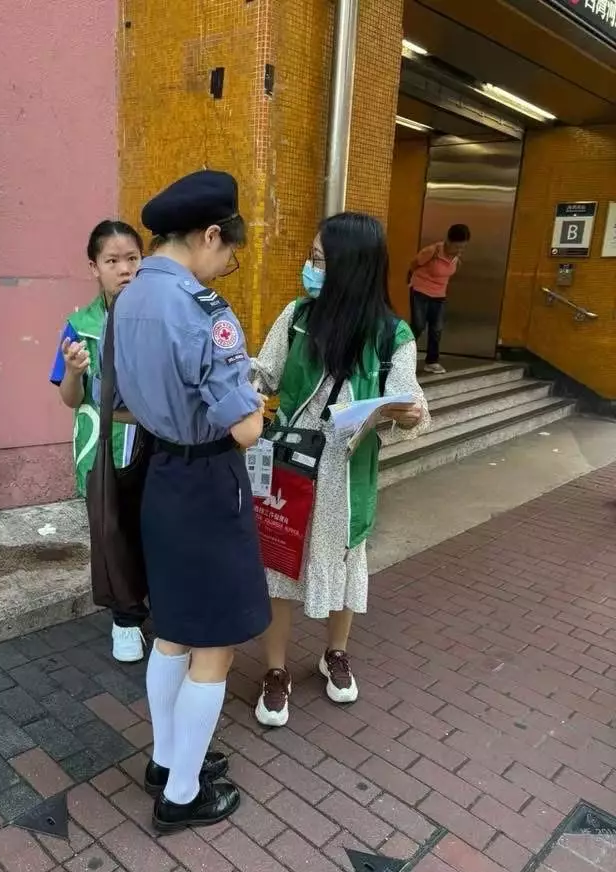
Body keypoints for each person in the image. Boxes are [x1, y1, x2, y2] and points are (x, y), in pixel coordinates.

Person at [111, 170, 271, 832]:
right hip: (207, 483)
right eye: (229, 253)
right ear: (209, 235)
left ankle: (167, 757)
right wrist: (256, 397)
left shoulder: (128, 297)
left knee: (174, 630)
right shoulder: (205, 311)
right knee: (215, 646)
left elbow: (119, 402)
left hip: (161, 477)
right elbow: (246, 429)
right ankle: (181, 795)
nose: (226, 266)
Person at [252, 213, 430, 728]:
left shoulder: (392, 335)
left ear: (352, 266)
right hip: (291, 463)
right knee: (280, 563)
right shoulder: (297, 316)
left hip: (346, 475)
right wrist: (240, 382)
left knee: (346, 561)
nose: (311, 269)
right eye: (312, 258)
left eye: (321, 260)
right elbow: (264, 373)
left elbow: (409, 398)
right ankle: (276, 671)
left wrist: (408, 412)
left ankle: (335, 653)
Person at [50, 220, 149, 664]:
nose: (124, 269)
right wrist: (74, 372)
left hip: (155, 447)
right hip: (103, 451)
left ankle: (160, 606)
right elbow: (71, 399)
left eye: (132, 259)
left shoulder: (156, 320)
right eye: (112, 261)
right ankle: (125, 620)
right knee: (111, 533)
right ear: (94, 267)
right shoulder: (79, 326)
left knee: (153, 528)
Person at [408, 223, 471, 374]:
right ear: (448, 241)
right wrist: (412, 282)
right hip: (421, 291)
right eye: (457, 247)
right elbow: (413, 264)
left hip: (439, 295)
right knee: (418, 326)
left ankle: (432, 362)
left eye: (462, 247)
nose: (459, 251)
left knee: (437, 329)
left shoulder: (456, 257)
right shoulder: (432, 251)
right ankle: (403, 358)